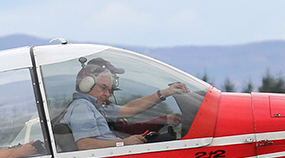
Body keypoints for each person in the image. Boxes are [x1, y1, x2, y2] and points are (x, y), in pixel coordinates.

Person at [59, 61, 189, 150]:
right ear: (86, 84)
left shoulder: (97, 107)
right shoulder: (82, 106)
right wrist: (123, 143)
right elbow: (84, 144)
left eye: (109, 90)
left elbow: (131, 109)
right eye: (103, 88)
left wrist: (165, 93)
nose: (107, 94)